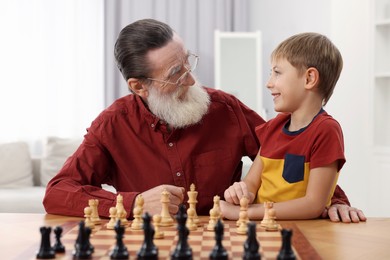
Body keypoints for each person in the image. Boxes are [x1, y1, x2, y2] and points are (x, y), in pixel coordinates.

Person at [43, 19, 365, 223]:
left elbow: (291, 149)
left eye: (188, 63)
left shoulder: (224, 108)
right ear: (139, 87)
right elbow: (58, 192)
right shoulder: (113, 125)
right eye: (175, 74)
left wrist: (332, 200)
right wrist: (136, 202)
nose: (190, 80)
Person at [221, 32, 366, 222]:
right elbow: (251, 183)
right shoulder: (273, 127)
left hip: (301, 233)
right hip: (263, 230)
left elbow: (313, 205)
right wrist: (242, 192)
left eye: (277, 73)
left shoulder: (326, 130)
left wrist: (246, 213)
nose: (269, 83)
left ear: (309, 78)